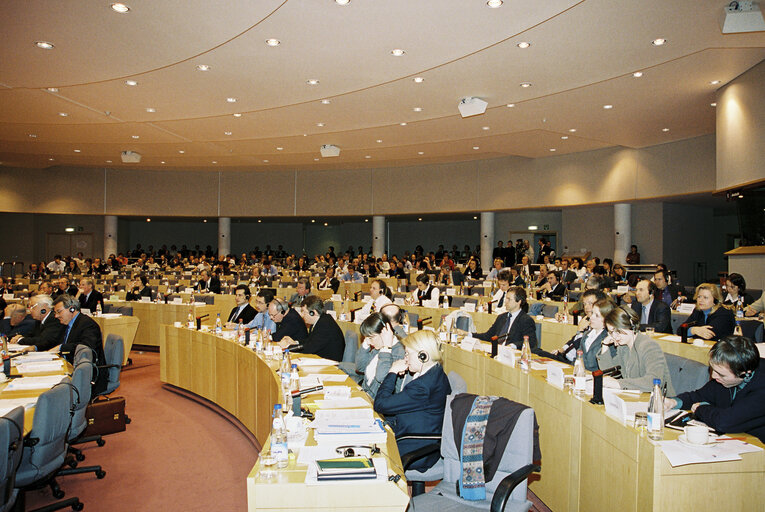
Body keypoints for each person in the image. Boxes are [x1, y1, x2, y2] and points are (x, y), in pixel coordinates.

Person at [373, 330, 451, 473]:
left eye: (408, 353)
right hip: (422, 437)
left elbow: (380, 404)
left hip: (416, 447)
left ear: (423, 356)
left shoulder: (422, 387)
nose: (405, 358)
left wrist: (392, 372)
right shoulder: (436, 372)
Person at [665, 335, 765, 443]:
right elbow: (699, 395)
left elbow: (725, 422)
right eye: (712, 369)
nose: (713, 376)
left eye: (721, 374)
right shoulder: (725, 378)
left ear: (744, 374)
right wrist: (674, 402)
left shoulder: (761, 387)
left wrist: (701, 408)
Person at [598, 306, 675, 394]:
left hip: (660, 401)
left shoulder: (649, 346)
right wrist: (605, 345)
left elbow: (654, 381)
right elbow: (610, 371)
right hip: (637, 398)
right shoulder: (623, 347)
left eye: (617, 330)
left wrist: (618, 384)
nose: (615, 336)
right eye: (611, 332)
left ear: (631, 324)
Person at [52, 294, 108, 395]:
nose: (56, 316)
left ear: (72, 309)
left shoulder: (88, 325)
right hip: (70, 367)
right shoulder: (66, 323)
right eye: (55, 313)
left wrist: (61, 347)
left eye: (59, 312)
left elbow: (86, 347)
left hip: (89, 375)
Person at [553, 296, 614, 372]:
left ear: (607, 319)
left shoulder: (609, 339)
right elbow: (577, 358)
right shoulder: (587, 334)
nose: (591, 317)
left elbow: (596, 365)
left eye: (597, 315)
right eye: (592, 313)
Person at [278, 296, 344, 361]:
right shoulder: (320, 321)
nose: (302, 315)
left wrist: (287, 347)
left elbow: (309, 349)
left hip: (330, 365)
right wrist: (295, 342)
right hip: (320, 359)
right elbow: (309, 341)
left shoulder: (325, 325)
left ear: (313, 313)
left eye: (304, 312)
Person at [355, 313, 406, 398]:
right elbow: (360, 367)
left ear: (385, 333)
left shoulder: (398, 352)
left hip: (377, 403)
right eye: (366, 338)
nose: (369, 342)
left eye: (371, 337)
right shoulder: (378, 347)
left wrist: (386, 348)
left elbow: (382, 378)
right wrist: (365, 344)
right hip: (365, 395)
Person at [473, 286, 537, 350]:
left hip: (511, 354)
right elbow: (487, 336)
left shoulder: (526, 320)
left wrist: (513, 346)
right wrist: (469, 334)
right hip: (497, 351)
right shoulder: (501, 317)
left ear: (519, 302)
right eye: (506, 298)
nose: (505, 301)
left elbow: (531, 342)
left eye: (509, 299)